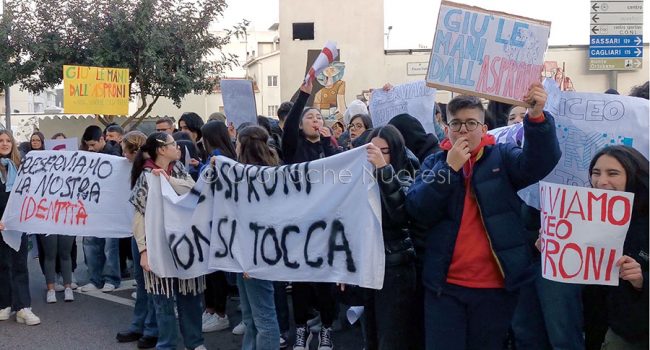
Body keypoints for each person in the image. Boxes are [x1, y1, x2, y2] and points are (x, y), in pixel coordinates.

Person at [406, 82, 561, 350]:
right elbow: (418, 209)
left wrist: (536, 119)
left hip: (494, 287)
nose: (463, 130)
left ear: (484, 129)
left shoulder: (501, 157)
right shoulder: (434, 163)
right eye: (456, 124)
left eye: (471, 123)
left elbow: (539, 163)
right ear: (447, 129)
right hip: (445, 288)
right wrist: (449, 170)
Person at [130, 132, 206, 350]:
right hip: (158, 245)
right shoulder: (146, 176)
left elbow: (194, 190)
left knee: (190, 294)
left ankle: (195, 342)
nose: (178, 148)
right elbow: (138, 215)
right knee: (162, 298)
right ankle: (167, 344)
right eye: (173, 144)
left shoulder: (179, 169)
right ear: (161, 149)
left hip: (184, 244)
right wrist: (143, 250)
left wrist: (168, 178)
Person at [281, 80, 340, 350]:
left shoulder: (328, 147)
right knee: (302, 281)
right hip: (300, 226)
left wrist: (328, 141)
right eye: (310, 118)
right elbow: (291, 122)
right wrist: (304, 95)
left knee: (326, 282)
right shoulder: (293, 147)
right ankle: (302, 330)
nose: (315, 120)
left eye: (318, 117)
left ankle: (326, 329)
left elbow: (340, 171)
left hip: (327, 226)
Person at [583, 146, 648, 350]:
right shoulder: (583, 214)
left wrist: (641, 279)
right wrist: (551, 244)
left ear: (633, 175)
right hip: (596, 320)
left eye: (613, 173)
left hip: (635, 331)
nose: (602, 181)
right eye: (596, 173)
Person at [363, 125, 418, 350]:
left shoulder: (407, 174)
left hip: (396, 269)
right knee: (371, 335)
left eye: (383, 150)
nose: (376, 155)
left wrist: (383, 170)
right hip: (369, 268)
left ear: (394, 151)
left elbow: (400, 214)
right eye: (371, 150)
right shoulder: (361, 179)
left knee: (392, 337)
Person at [231, 125, 281, 350]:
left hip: (256, 254)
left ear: (244, 145)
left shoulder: (258, 178)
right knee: (251, 316)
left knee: (263, 317)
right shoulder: (250, 173)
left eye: (238, 142)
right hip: (246, 254)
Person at [115, 131, 159, 349]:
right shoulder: (136, 169)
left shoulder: (149, 171)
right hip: (138, 231)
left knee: (151, 284)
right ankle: (140, 325)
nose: (123, 155)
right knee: (142, 284)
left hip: (149, 233)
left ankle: (151, 328)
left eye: (125, 150)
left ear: (134, 150)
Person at [0, 130, 41, 326]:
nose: (5, 144)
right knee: (2, 265)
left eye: (8, 140)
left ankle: (23, 307)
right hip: (0, 224)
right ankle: (5, 303)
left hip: (18, 224)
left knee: (19, 265)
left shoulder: (22, 166)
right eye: (0, 141)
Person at [198, 121, 235, 334]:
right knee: (211, 269)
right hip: (214, 218)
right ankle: (211, 309)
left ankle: (219, 312)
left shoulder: (219, 158)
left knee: (214, 270)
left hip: (215, 219)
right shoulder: (220, 156)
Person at [79, 125, 122, 293]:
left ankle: (111, 278)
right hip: (91, 207)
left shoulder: (115, 155)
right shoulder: (87, 155)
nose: (90, 148)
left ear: (102, 139)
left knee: (109, 245)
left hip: (110, 208)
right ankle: (94, 278)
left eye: (92, 145)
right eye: (88, 145)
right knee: (90, 243)